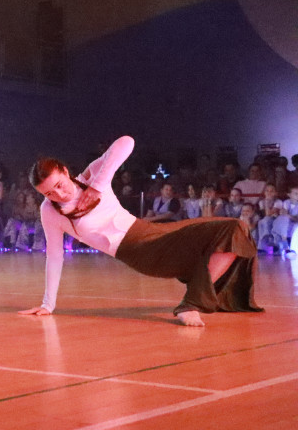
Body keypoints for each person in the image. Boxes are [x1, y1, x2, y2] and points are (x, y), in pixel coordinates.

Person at [19, 136, 261, 327]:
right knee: (233, 231)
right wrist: (48, 304)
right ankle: (192, 304)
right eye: (49, 193)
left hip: (149, 230)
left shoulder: (91, 176)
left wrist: (97, 186)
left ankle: (194, 300)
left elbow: (126, 142)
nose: (58, 195)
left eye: (59, 185)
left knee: (235, 228)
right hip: (140, 251)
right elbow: (54, 256)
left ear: (65, 171)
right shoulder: (50, 211)